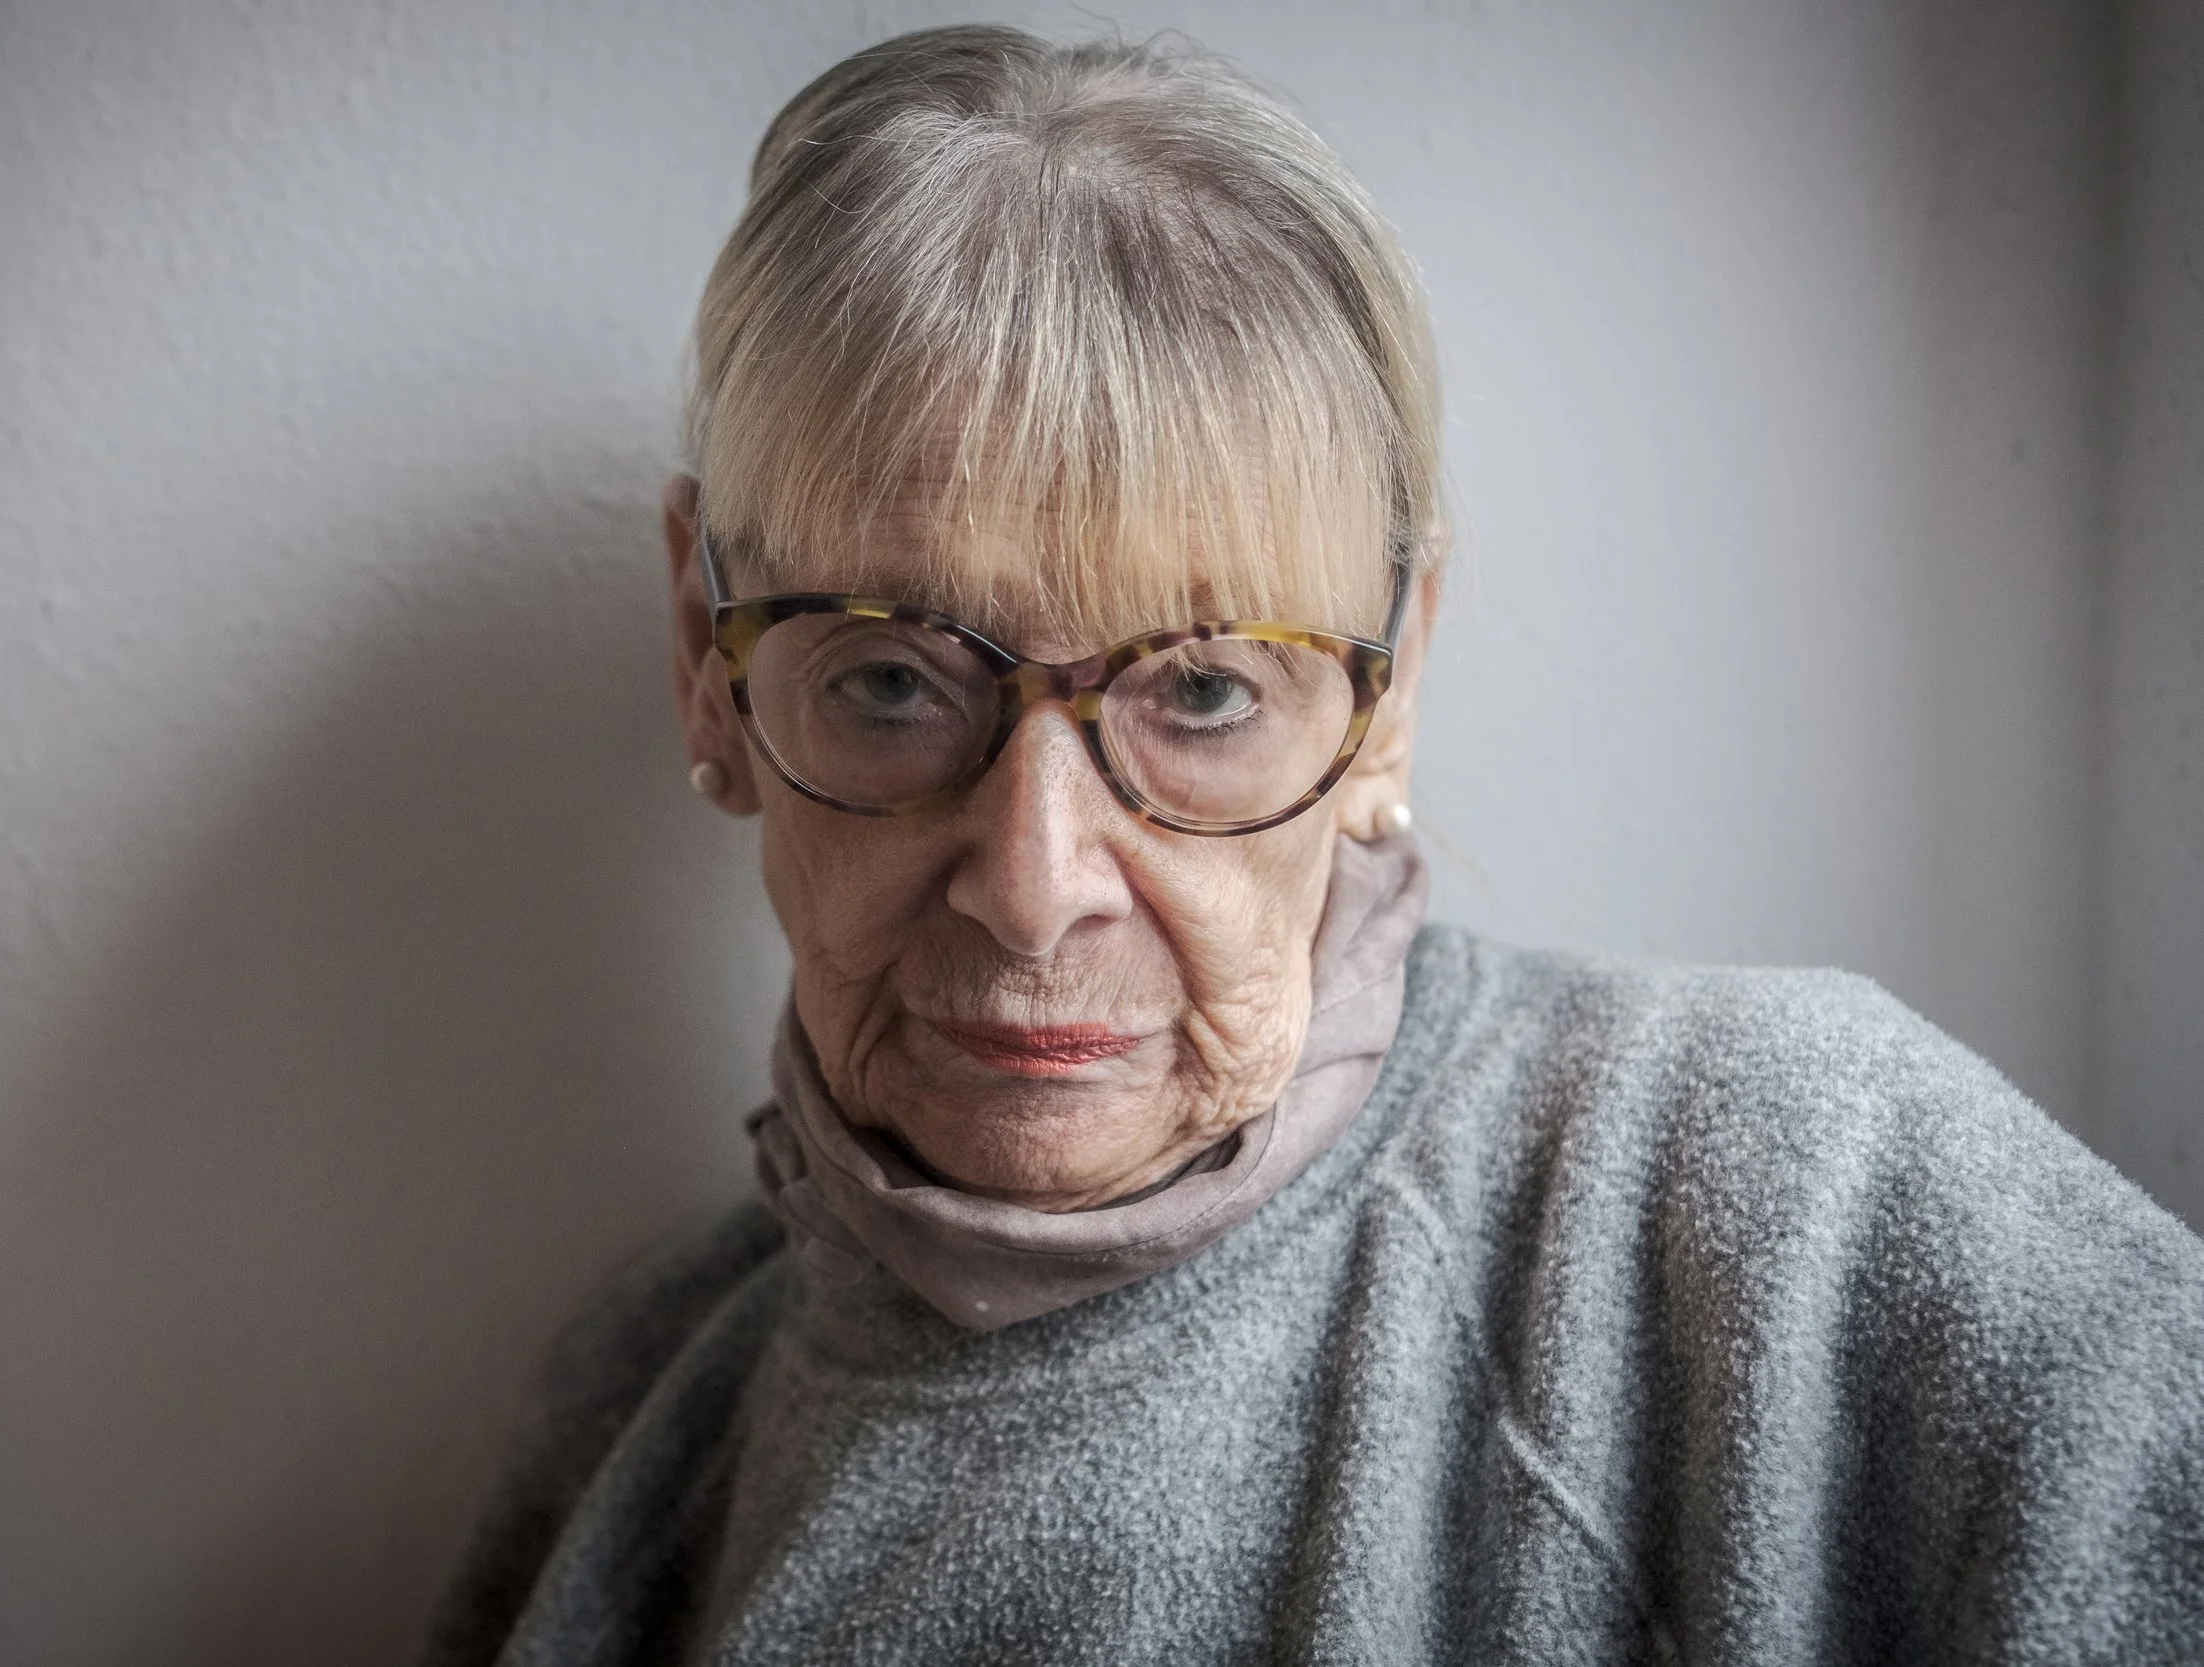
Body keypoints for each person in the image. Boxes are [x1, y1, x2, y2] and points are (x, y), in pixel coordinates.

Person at [424, 26, 2204, 1665]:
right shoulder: (632, 1430)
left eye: (1200, 694)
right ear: (703, 657)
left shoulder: (1788, 1221)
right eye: (892, 680)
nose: (1039, 880)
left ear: (1391, 688)